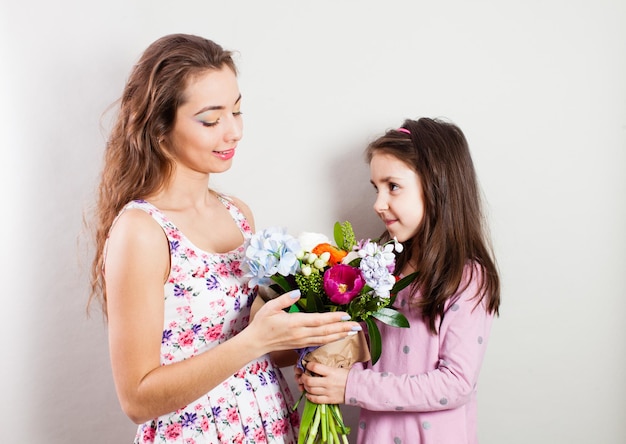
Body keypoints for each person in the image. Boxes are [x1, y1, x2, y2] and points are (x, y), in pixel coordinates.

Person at [88, 33, 361, 444]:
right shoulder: (142, 231)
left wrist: (319, 331)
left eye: (237, 111)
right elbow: (138, 399)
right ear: (160, 128)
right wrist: (255, 342)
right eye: (211, 119)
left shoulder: (238, 214)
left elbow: (263, 347)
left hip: (268, 423)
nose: (233, 132)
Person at [297, 117, 501, 443]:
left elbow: (456, 384)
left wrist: (350, 386)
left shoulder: (467, 278)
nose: (378, 204)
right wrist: (325, 369)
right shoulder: (385, 268)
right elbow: (374, 353)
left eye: (392, 186)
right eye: (376, 189)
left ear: (437, 186)